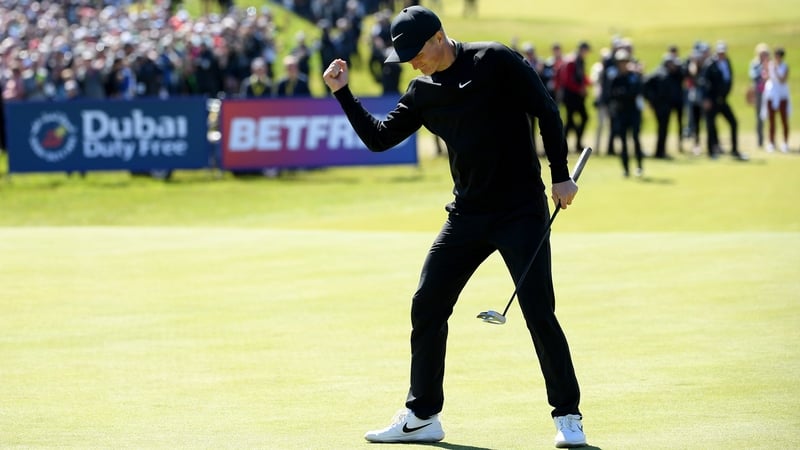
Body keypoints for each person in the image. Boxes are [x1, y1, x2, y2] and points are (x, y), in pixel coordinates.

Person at [322, 6, 587, 448]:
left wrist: (560, 173)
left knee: (538, 311)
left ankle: (568, 415)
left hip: (521, 210)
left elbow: (546, 110)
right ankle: (422, 414)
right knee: (427, 303)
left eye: (415, 52)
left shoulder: (495, 60)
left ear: (438, 38)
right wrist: (343, 93)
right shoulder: (422, 90)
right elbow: (379, 138)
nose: (411, 62)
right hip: (467, 214)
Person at [699, 41, 747, 160]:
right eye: (719, 52)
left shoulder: (727, 62)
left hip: (722, 100)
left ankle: (734, 150)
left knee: (733, 122)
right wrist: (706, 99)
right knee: (711, 125)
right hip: (712, 99)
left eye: (723, 52)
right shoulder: (710, 64)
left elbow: (728, 80)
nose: (721, 54)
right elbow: (703, 82)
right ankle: (711, 152)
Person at [608, 49, 645, 177]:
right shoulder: (616, 78)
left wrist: (623, 93)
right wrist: (624, 94)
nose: (623, 64)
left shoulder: (634, 76)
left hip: (633, 112)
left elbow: (636, 92)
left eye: (625, 61)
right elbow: (612, 95)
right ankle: (626, 169)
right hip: (620, 113)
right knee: (623, 141)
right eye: (621, 62)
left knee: (635, 138)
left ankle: (639, 166)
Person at [560, 41, 592, 152]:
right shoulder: (571, 61)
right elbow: (567, 81)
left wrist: (589, 83)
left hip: (577, 96)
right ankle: (563, 144)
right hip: (570, 96)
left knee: (582, 118)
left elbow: (581, 77)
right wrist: (580, 89)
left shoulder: (579, 61)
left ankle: (576, 143)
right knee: (570, 121)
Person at [762, 47, 791, 152]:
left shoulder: (785, 67)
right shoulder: (770, 65)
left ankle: (785, 143)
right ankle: (771, 143)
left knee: (784, 120)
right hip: (771, 94)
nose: (777, 58)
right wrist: (766, 68)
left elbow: (783, 80)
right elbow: (765, 77)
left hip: (782, 95)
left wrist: (775, 70)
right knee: (771, 121)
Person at [748, 43, 771, 148]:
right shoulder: (754, 63)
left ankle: (771, 140)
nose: (763, 56)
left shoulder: (770, 64)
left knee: (771, 115)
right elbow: (753, 75)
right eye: (762, 54)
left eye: (765, 54)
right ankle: (760, 140)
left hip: (770, 91)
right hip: (758, 92)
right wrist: (762, 69)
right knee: (759, 117)